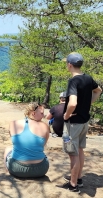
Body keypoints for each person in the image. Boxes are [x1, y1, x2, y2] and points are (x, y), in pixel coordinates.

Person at [56, 52, 102, 193]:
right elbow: (98, 90)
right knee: (80, 150)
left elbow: (72, 103)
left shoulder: (73, 81)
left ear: (70, 65)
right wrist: (87, 104)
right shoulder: (87, 78)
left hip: (73, 123)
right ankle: (79, 179)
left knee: (73, 154)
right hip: (84, 121)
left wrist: (66, 115)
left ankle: (73, 184)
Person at [4, 103, 50, 178]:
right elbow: (43, 145)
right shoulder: (45, 126)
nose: (43, 116)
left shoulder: (13, 123)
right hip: (41, 169)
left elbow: (15, 143)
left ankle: (8, 172)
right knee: (43, 155)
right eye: (41, 113)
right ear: (33, 113)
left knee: (8, 149)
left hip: (17, 168)